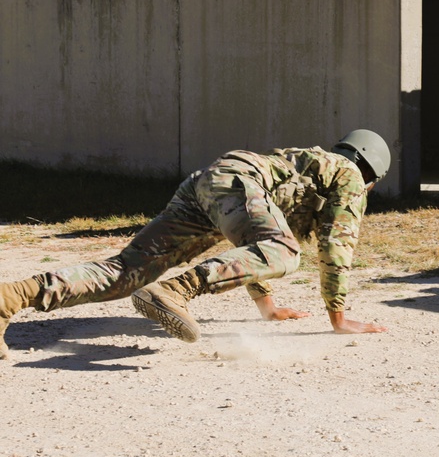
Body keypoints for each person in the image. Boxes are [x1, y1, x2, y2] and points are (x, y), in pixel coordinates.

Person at [0, 129, 391, 359]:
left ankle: (11, 298)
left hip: (206, 187)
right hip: (239, 184)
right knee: (288, 253)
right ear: (371, 172)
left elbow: (253, 238)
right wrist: (338, 317)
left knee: (123, 273)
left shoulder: (313, 170)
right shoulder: (348, 176)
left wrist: (267, 306)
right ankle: (175, 290)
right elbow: (337, 247)